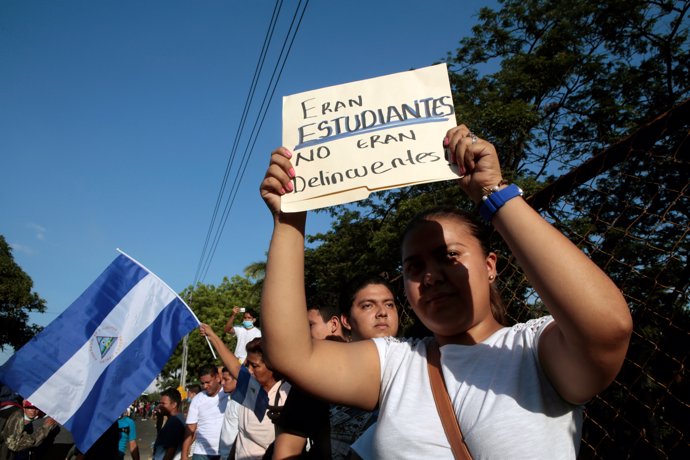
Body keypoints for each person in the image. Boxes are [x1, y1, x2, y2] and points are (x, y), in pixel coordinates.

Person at [257, 124, 633, 458]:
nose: (431, 276)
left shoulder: (535, 350)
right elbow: (291, 353)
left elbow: (607, 328)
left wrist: (495, 195)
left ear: (490, 267)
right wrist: (289, 221)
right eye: (414, 267)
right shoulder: (396, 363)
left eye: (449, 255)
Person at [200, 328, 290, 460]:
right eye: (248, 365)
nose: (250, 371)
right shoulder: (251, 387)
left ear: (272, 365)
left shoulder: (288, 393)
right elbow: (234, 366)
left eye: (255, 366)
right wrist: (212, 336)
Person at [181, 364, 229, 460]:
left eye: (208, 382)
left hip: (225, 452)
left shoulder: (229, 394)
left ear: (217, 378)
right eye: (202, 383)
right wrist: (184, 455)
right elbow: (190, 428)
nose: (205, 386)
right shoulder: (197, 399)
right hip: (201, 453)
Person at [153, 388, 185, 460]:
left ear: (174, 404)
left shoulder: (174, 422)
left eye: (163, 403)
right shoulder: (177, 418)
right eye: (160, 403)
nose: (160, 406)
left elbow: (171, 449)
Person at [219, 368, 240, 460]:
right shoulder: (229, 398)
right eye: (222, 379)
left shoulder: (241, 403)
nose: (222, 383)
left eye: (226, 379)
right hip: (224, 454)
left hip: (234, 455)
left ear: (236, 380)